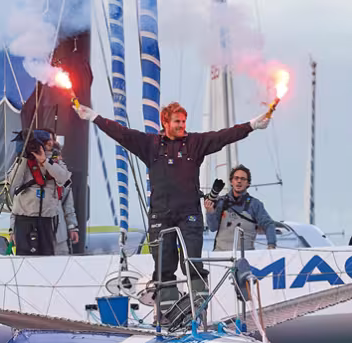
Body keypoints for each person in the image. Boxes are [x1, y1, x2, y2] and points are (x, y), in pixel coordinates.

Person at [75, 99, 272, 311]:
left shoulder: (194, 143)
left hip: (189, 214)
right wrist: (94, 117)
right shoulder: (150, 144)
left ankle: (199, 310)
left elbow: (223, 136)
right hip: (161, 215)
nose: (181, 125)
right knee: (164, 265)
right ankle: (167, 312)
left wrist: (252, 125)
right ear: (165, 122)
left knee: (193, 262)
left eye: (184, 121)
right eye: (177, 121)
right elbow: (122, 133)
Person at [7, 135, 71, 256]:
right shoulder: (22, 161)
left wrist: (45, 161)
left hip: (47, 220)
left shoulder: (55, 161)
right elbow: (14, 183)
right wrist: (24, 157)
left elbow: (64, 178)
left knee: (46, 260)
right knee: (25, 260)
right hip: (24, 220)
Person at [204, 165, 277, 251]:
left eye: (243, 179)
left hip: (246, 255)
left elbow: (268, 224)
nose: (239, 181)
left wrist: (271, 245)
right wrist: (210, 212)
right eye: (236, 178)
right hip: (221, 255)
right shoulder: (221, 202)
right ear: (231, 182)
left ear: (248, 183)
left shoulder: (254, 204)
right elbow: (213, 228)